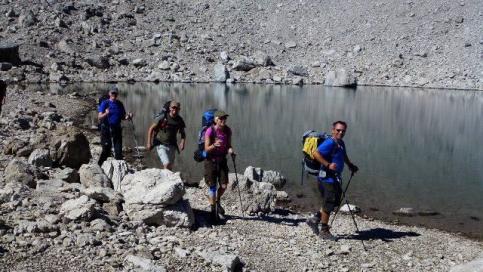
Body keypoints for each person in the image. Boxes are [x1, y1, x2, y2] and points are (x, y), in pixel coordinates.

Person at [306, 121, 359, 240]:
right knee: (329, 203)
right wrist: (328, 164)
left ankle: (314, 219)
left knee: (334, 202)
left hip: (334, 177)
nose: (340, 132)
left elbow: (343, 155)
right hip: (327, 178)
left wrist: (350, 165)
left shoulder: (340, 143)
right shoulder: (329, 142)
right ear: (333, 130)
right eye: (338, 130)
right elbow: (315, 153)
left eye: (343, 131)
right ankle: (324, 231)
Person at [204, 110, 235, 222]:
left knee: (223, 185)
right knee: (212, 186)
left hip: (222, 160)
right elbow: (206, 148)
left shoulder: (227, 130)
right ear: (216, 119)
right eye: (221, 119)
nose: (223, 120)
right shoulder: (210, 131)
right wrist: (214, 145)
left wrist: (230, 150)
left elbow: (229, 145)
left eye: (224, 118)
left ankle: (216, 201)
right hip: (211, 161)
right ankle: (213, 211)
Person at [98, 86, 133, 165]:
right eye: (112, 93)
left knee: (118, 150)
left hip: (117, 128)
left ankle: (119, 169)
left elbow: (123, 117)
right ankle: (99, 165)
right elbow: (99, 116)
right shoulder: (105, 103)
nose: (114, 94)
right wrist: (106, 113)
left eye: (115, 93)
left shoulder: (120, 104)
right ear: (109, 93)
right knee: (106, 149)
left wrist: (129, 117)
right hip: (106, 129)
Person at [146, 101, 186, 170]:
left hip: (172, 145)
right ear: (170, 108)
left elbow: (183, 133)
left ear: (179, 109)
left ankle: (166, 179)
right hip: (160, 144)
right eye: (173, 107)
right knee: (166, 164)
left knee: (169, 167)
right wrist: (149, 143)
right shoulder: (163, 117)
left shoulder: (179, 120)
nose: (175, 109)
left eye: (177, 108)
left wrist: (182, 142)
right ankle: (165, 180)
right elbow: (151, 129)